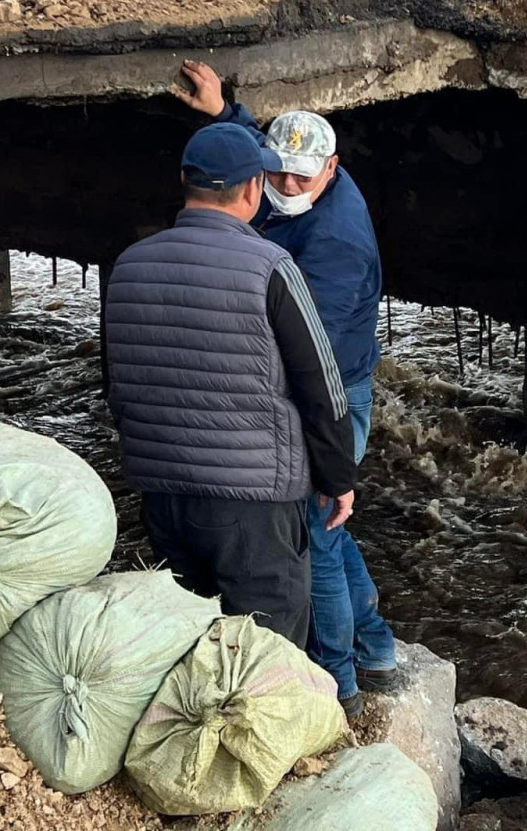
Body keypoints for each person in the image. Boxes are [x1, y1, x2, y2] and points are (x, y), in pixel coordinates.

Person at [174, 61, 399, 718]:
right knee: (329, 527)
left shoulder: (335, 243)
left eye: (301, 177)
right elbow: (261, 147)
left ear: (333, 169)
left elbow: (309, 358)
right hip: (331, 376)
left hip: (334, 386)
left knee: (312, 529)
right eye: (275, 174)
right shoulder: (304, 185)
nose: (285, 186)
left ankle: (339, 685)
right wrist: (224, 111)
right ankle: (377, 648)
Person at [104, 121, 357, 649]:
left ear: (184, 180)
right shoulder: (271, 267)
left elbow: (117, 381)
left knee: (187, 639)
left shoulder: (128, 266)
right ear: (252, 188)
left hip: (162, 496)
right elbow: (322, 387)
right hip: (253, 505)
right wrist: (338, 478)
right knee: (266, 651)